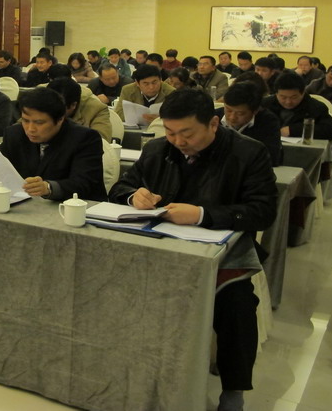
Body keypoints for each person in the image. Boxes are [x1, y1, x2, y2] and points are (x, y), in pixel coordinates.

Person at [109, 88, 277, 411]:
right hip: (156, 252)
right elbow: (120, 187)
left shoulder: (248, 153)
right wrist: (133, 196)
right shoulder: (157, 149)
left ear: (213, 123)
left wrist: (202, 215)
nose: (178, 141)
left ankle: (233, 391)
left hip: (223, 257)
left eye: (187, 133)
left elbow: (263, 211)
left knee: (237, 306)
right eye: (171, 132)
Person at [0, 87, 105, 201]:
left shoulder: (84, 138)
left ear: (60, 120)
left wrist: (48, 187)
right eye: (26, 120)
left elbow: (85, 183)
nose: (30, 129)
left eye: (39, 122)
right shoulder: (14, 134)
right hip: (26, 206)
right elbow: (0, 172)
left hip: (74, 209)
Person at [217, 82, 283, 166]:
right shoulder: (213, 116)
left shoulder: (268, 121)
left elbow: (271, 157)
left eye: (240, 113)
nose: (232, 117)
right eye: (228, 110)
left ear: (255, 111)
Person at [262, 72, 332, 139]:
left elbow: (330, 131)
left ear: (303, 93)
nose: (288, 102)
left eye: (294, 97)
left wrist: (293, 130)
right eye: (283, 97)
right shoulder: (265, 104)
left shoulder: (316, 107)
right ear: (276, 94)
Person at [48, 77, 112, 142]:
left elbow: (100, 141)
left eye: (58, 109)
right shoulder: (44, 103)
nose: (52, 112)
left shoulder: (97, 110)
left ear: (73, 105)